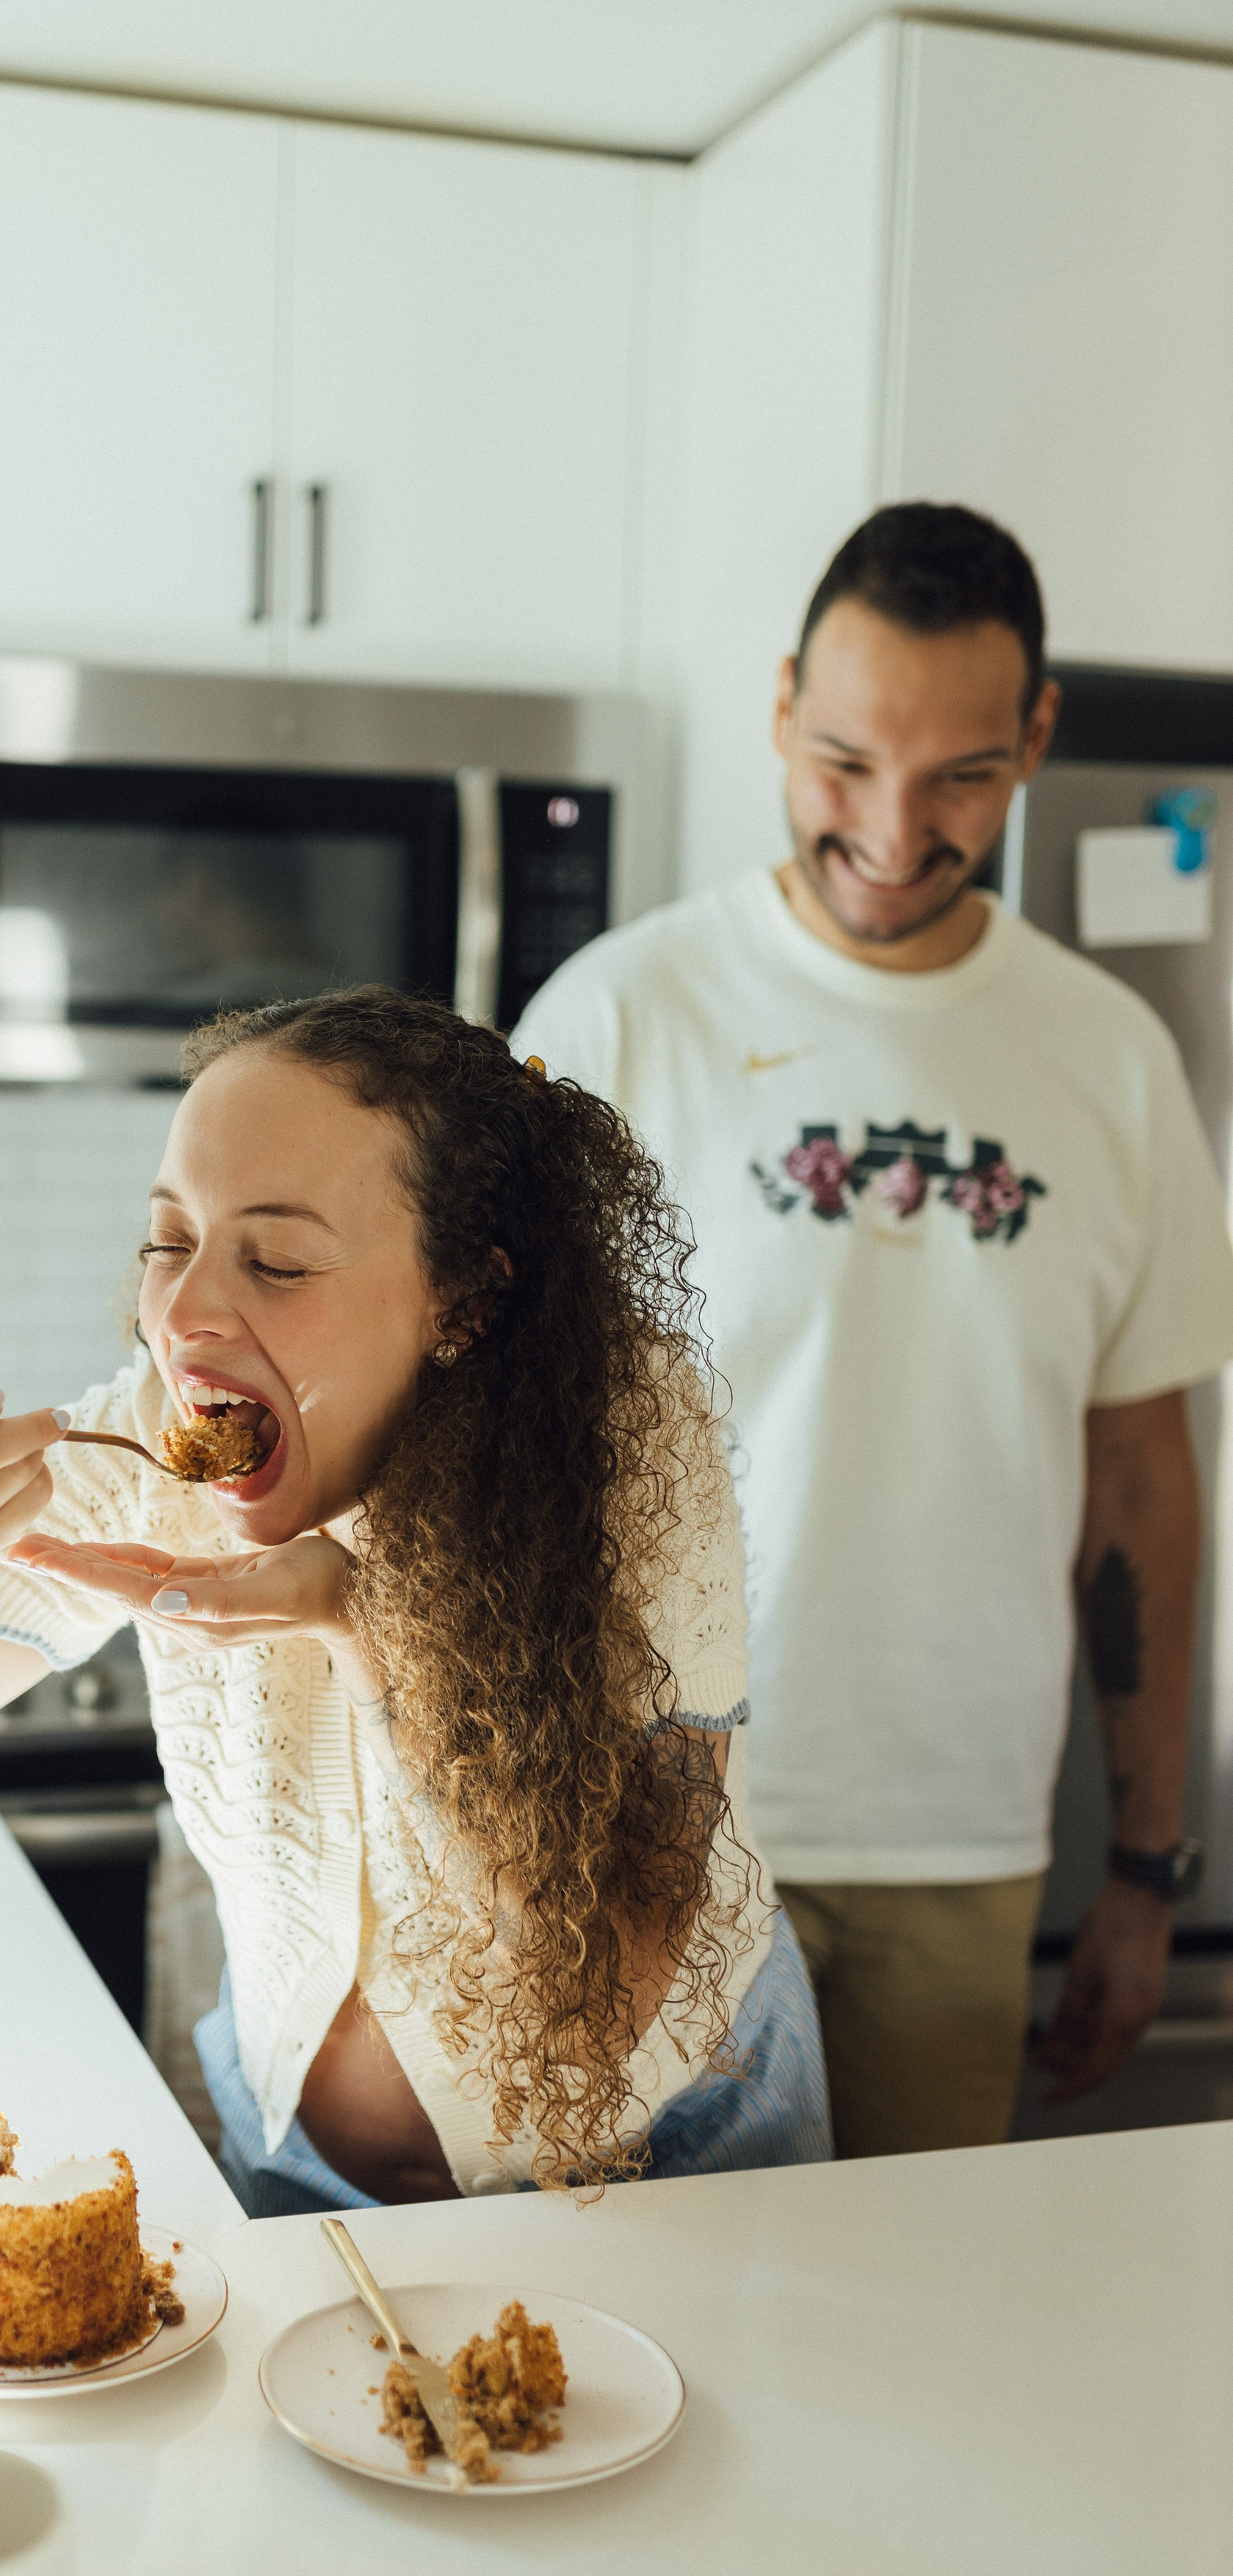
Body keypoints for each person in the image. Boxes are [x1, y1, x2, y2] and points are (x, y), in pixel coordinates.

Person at [0, 990, 831, 2211]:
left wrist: (361, 1625)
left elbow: (609, 1989)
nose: (182, 1317)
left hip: (663, 2155)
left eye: (276, 1261)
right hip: (294, 2166)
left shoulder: (618, 1435)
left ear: (464, 1300)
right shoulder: (150, 1439)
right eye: (168, 1242)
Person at [516, 500, 1233, 2161]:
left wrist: (1141, 1869)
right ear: (777, 708)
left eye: (960, 778)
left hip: (960, 1841)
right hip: (649, 1824)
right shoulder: (619, 1016)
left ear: (1036, 737)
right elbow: (486, 1432)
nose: (893, 830)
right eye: (840, 762)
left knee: (907, 2341)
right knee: (645, 2334)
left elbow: (1138, 1483)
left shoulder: (1110, 1059)